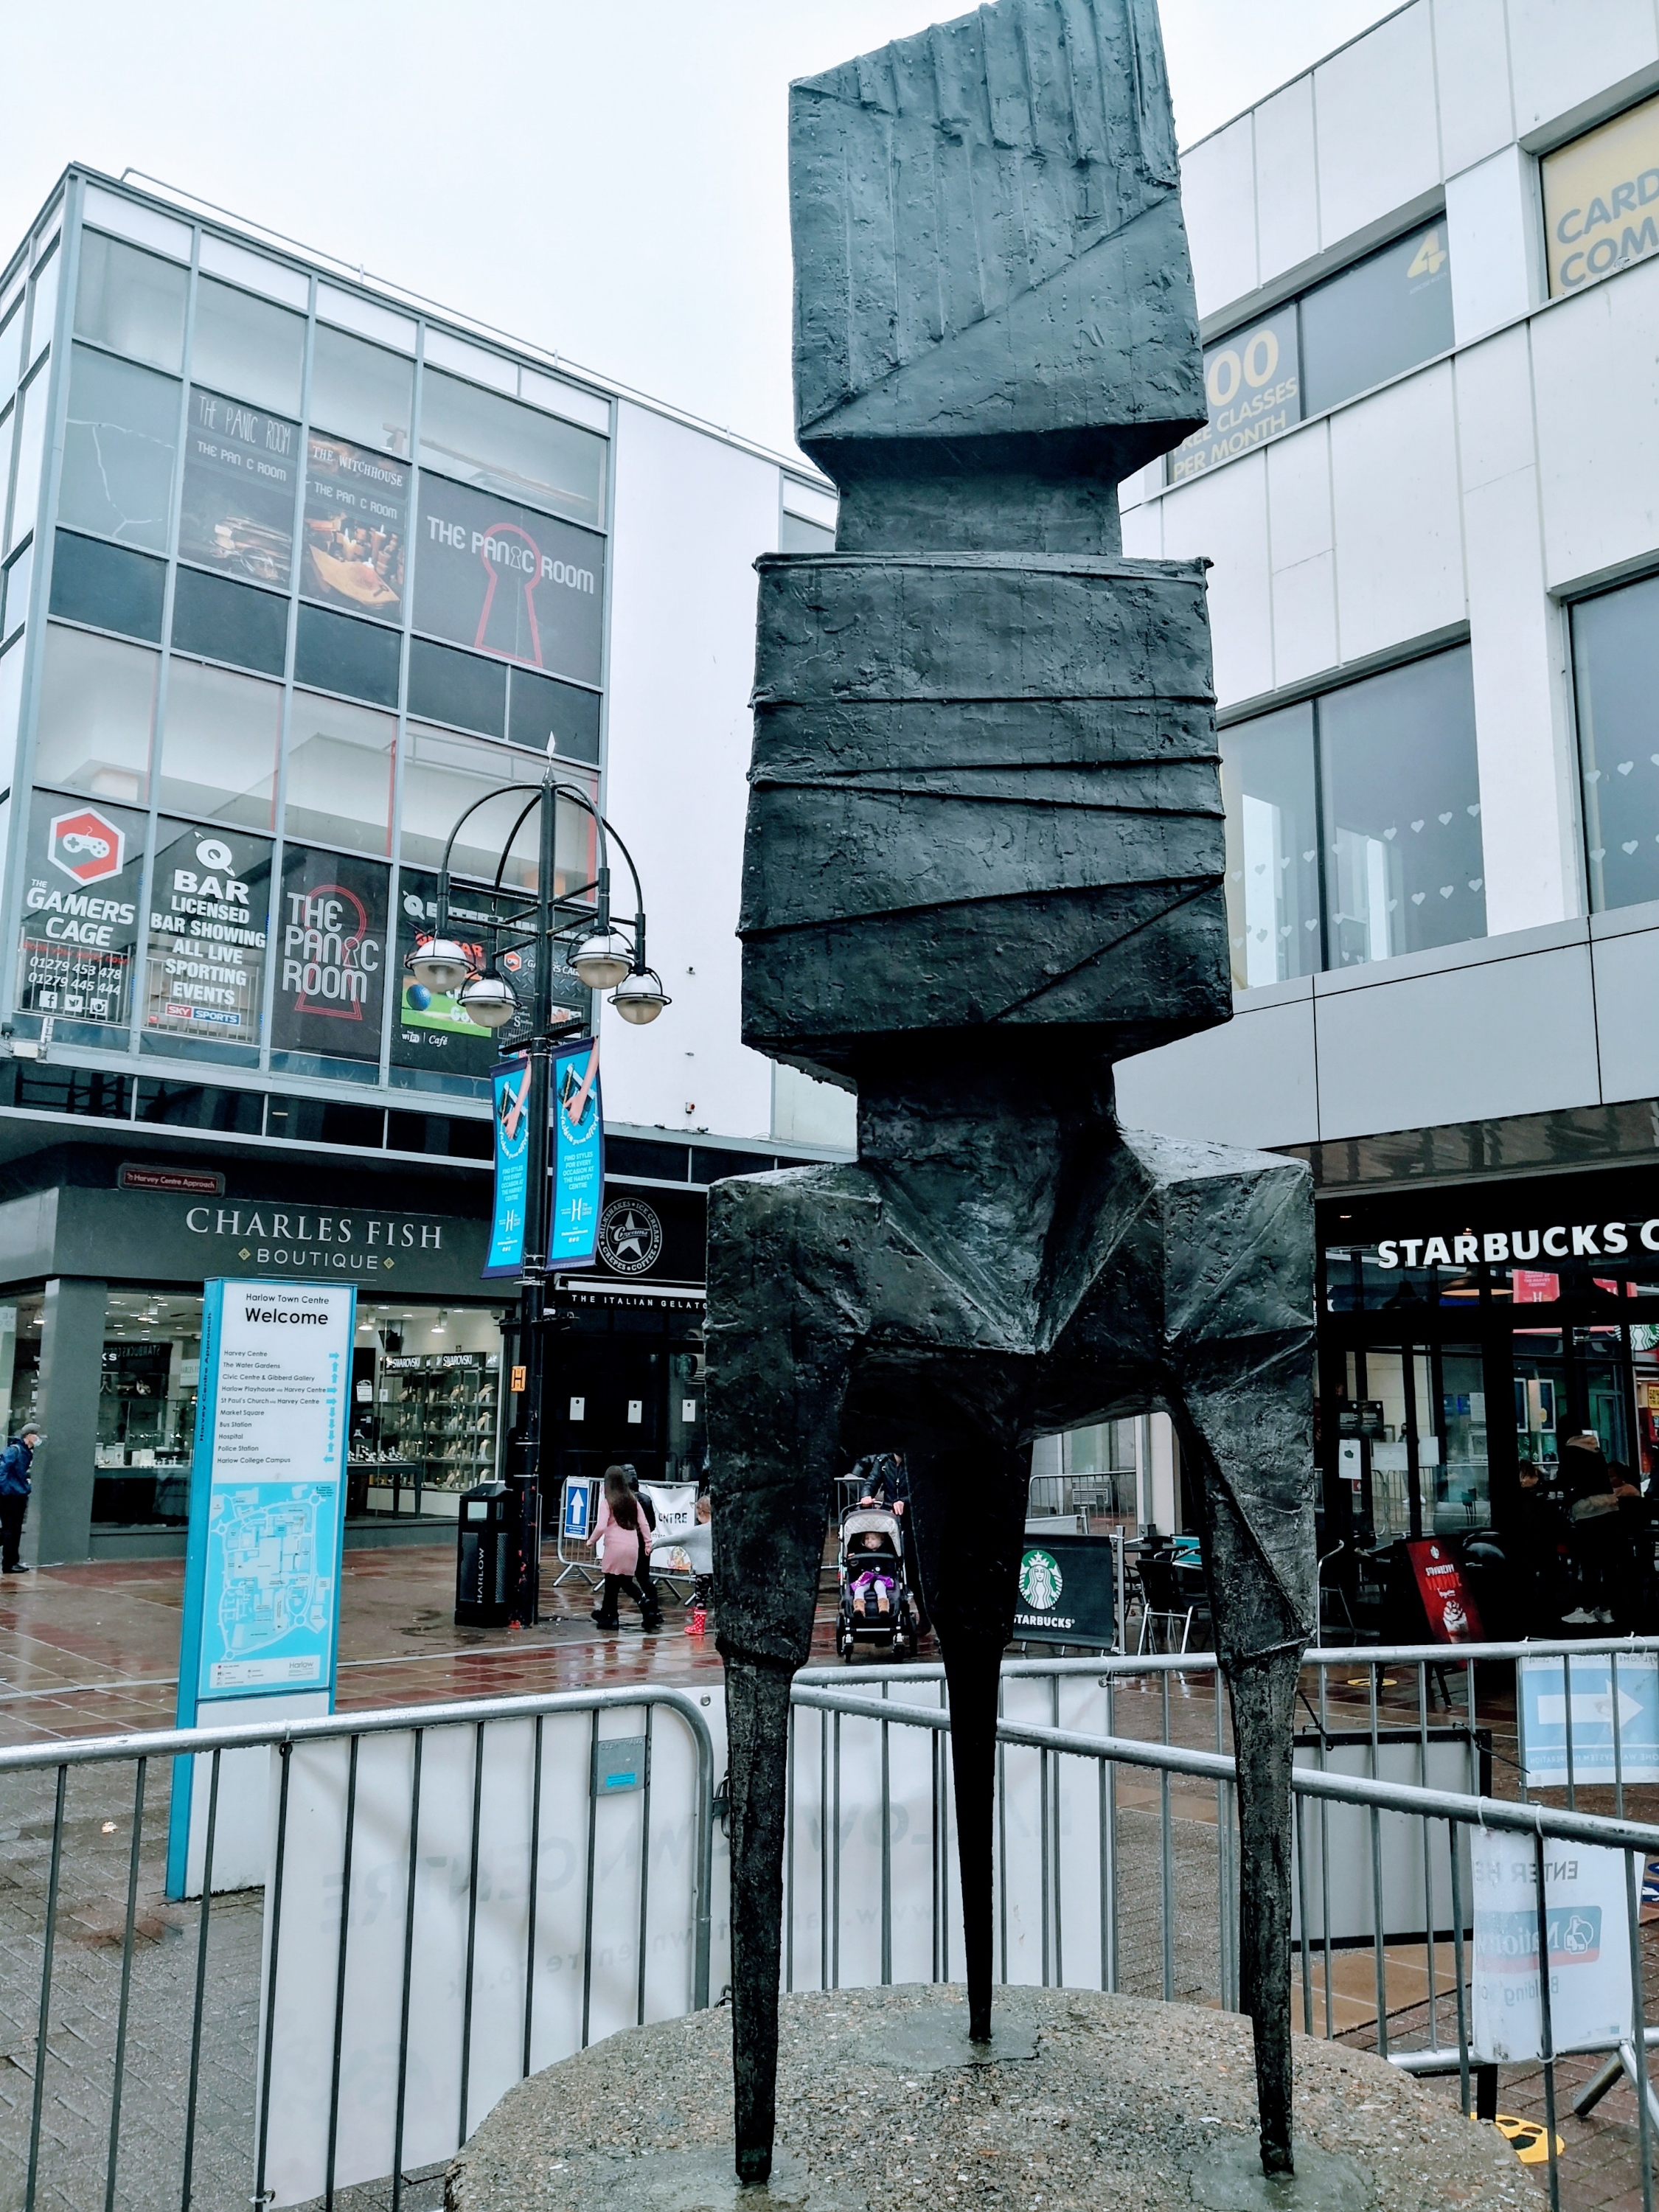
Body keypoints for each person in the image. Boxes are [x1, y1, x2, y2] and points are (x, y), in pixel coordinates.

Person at [1562, 1431, 1623, 1626]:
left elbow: (1571, 1481)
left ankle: (1587, 1609)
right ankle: (1605, 1610)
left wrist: (1567, 1500)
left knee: (1588, 1563)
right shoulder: (1595, 1451)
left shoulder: (1572, 1451)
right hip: (1609, 1509)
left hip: (1588, 1511)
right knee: (1607, 1563)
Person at [591, 1467, 661, 1631]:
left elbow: (601, 1526)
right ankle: (610, 1613)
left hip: (615, 1547)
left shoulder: (608, 1502)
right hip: (633, 1546)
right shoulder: (634, 1501)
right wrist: (648, 1543)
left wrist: (591, 1540)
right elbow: (645, 1524)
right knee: (622, 1580)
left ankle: (634, 1607)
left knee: (615, 1581)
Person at [0, 1427, 39, 1573]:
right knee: (11, 1530)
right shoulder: (15, 1450)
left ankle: (11, 1562)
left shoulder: (25, 1451)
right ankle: (10, 1564)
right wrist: (6, 1490)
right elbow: (2, 1470)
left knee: (13, 1529)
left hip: (17, 1494)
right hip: (11, 1496)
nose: (38, 1439)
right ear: (29, 1436)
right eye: (36, 1435)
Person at [682, 1492, 714, 1635]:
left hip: (702, 1571)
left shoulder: (697, 1531)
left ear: (701, 1512)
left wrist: (653, 1545)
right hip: (716, 1570)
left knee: (701, 1597)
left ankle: (699, 1626)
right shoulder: (719, 1528)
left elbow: (675, 1539)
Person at [850, 1528, 899, 1618]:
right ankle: (859, 1609)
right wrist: (854, 1562)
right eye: (867, 1539)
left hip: (880, 1578)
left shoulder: (886, 1552)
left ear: (881, 1542)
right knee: (859, 1589)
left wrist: (890, 1577)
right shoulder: (860, 1552)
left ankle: (884, 1609)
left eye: (873, 1539)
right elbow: (856, 1569)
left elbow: (890, 1568)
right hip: (865, 1579)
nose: (869, 1541)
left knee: (880, 1587)